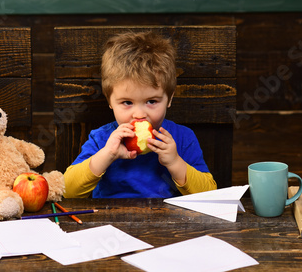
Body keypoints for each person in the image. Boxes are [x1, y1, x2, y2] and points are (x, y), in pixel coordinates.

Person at [63, 31, 217, 198]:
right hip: (110, 219)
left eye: (151, 101)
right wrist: (107, 155)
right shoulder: (102, 140)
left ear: (169, 99)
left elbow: (209, 194)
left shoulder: (182, 138)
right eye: (127, 103)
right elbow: (68, 191)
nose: (139, 114)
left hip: (168, 221)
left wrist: (174, 162)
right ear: (110, 101)